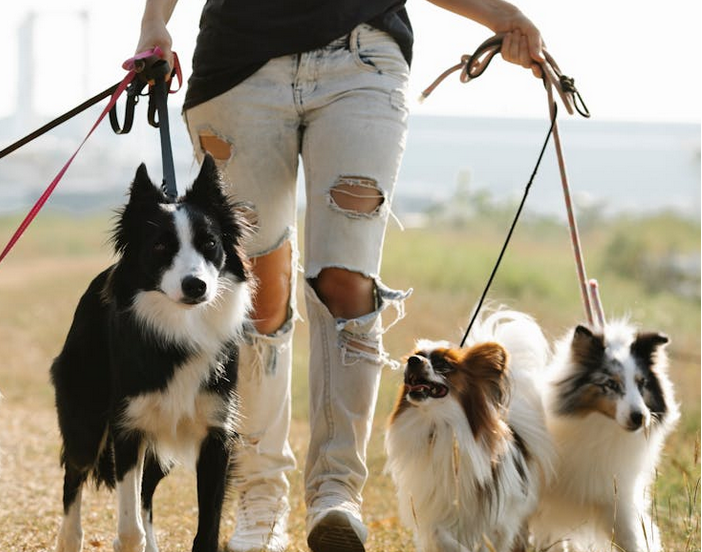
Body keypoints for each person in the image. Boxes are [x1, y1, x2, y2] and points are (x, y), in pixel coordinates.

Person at [134, 1, 546, 551]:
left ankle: (336, 492)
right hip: (239, 64)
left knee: (348, 282)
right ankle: (260, 497)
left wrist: (503, 16)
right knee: (256, 288)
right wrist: (154, 21)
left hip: (364, 59)